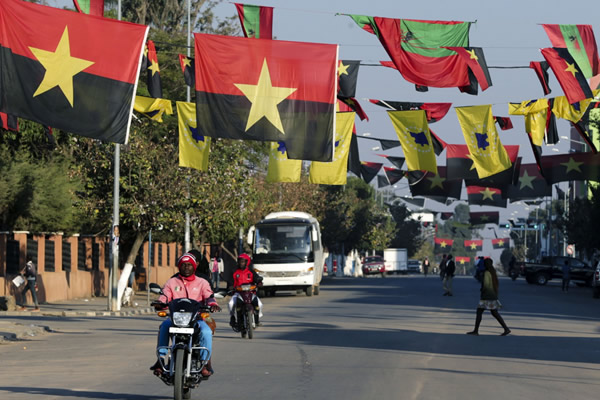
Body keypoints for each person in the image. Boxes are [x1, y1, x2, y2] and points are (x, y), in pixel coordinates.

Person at [150, 253, 221, 378]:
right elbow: (165, 296)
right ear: (179, 267)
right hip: (176, 319)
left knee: (207, 331)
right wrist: (160, 303)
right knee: (164, 327)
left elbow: (209, 296)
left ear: (194, 267)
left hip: (198, 318)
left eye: (189, 265)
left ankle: (205, 363)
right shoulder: (172, 282)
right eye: (183, 265)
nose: (186, 267)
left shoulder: (202, 282)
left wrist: (213, 304)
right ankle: (160, 360)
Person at [467, 258, 511, 336]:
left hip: (487, 296)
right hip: (492, 295)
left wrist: (482, 291)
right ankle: (506, 329)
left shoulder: (487, 273)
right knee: (494, 313)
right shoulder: (493, 272)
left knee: (479, 312)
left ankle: (476, 331)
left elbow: (486, 285)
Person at [228, 253, 263, 328]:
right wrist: (230, 286)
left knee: (259, 304)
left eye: (243, 261)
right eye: (240, 261)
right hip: (238, 293)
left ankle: (257, 320)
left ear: (247, 262)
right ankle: (232, 318)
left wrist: (259, 282)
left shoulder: (251, 271)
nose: (241, 263)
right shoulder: (234, 271)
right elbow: (230, 281)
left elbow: (257, 278)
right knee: (231, 304)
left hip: (250, 293)